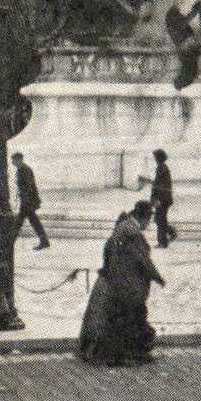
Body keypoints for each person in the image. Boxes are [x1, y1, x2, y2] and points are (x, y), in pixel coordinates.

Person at [76, 201, 166, 366]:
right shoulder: (133, 234)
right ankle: (131, 354)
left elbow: (109, 252)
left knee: (124, 320)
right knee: (133, 319)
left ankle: (125, 354)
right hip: (127, 286)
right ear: (143, 218)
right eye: (148, 220)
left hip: (118, 282)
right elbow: (143, 261)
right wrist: (158, 278)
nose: (148, 225)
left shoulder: (122, 228)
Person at [12, 151, 50, 250]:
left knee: (19, 222)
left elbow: (28, 186)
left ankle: (9, 242)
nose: (12, 162)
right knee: (33, 222)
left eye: (13, 160)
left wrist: (26, 201)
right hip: (26, 201)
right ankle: (44, 241)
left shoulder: (24, 169)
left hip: (27, 201)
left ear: (18, 159)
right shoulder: (22, 169)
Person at [150, 149, 176, 248]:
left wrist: (155, 198)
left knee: (160, 220)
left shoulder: (161, 168)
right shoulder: (162, 168)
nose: (155, 159)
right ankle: (168, 235)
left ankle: (163, 242)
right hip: (163, 198)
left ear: (159, 158)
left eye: (156, 157)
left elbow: (158, 185)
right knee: (159, 219)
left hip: (162, 199)